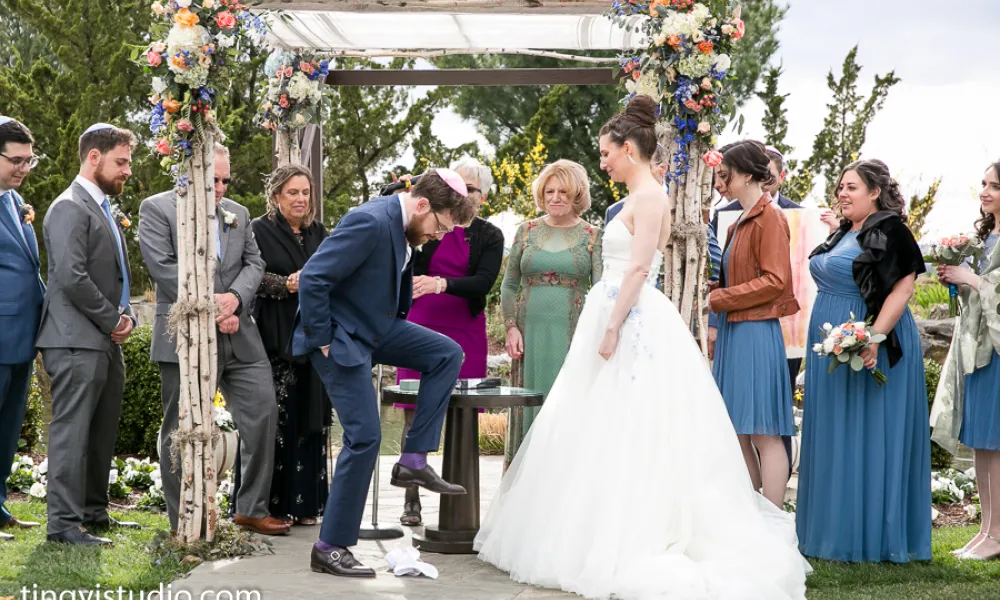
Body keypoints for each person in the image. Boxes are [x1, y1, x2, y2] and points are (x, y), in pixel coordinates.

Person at [475, 96, 810, 599]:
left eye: (607, 153)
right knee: (594, 422)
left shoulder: (652, 197)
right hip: (609, 311)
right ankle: (586, 526)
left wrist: (611, 326)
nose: (603, 161)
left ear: (628, 150)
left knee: (634, 420)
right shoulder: (635, 197)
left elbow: (637, 268)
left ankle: (631, 534)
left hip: (630, 319)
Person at [294, 169, 476, 578]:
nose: (438, 236)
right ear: (423, 204)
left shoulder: (404, 226)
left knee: (446, 353)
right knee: (365, 437)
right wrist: (323, 339)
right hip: (340, 337)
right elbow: (314, 277)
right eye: (439, 227)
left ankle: (413, 458)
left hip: (375, 328)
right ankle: (329, 547)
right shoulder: (370, 220)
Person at [138, 144, 288, 537]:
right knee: (178, 429)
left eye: (225, 180)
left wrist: (235, 300)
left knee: (262, 415)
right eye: (213, 180)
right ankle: (182, 521)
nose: (221, 188)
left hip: (240, 335)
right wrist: (211, 308)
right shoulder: (156, 209)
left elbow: (255, 263)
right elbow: (164, 268)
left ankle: (251, 508)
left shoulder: (238, 214)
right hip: (184, 337)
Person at [797, 159, 931, 563]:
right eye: (840, 186)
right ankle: (832, 530)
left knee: (869, 435)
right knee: (836, 434)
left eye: (851, 187)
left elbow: (904, 287)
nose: (842, 193)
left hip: (871, 343)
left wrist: (873, 336)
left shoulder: (891, 229)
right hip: (830, 346)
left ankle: (872, 535)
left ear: (875, 192)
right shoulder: (843, 231)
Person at [37, 124, 139, 546]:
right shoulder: (68, 207)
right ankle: (62, 525)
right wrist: (112, 320)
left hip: (100, 338)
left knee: (101, 431)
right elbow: (71, 277)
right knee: (72, 432)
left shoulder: (102, 208)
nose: (128, 171)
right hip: (74, 339)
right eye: (121, 162)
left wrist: (127, 313)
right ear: (93, 158)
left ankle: (94, 513)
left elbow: (112, 275)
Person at [394, 158, 504, 526]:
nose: (463, 194)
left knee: (464, 412)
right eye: (458, 186)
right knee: (414, 410)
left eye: (470, 189)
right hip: (421, 322)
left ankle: (461, 499)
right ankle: (411, 497)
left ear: (483, 197)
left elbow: (484, 283)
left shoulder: (489, 236)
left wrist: (441, 283)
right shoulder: (427, 226)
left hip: (465, 328)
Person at [709, 140, 799, 507]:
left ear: (746, 174)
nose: (719, 183)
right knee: (738, 431)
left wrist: (718, 299)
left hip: (756, 332)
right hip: (735, 331)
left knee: (763, 431)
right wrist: (711, 289)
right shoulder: (737, 224)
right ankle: (749, 514)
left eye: (724, 175)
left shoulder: (771, 218)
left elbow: (776, 281)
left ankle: (774, 517)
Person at [501, 159, 603, 471]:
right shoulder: (526, 230)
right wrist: (510, 328)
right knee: (530, 398)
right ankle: (522, 476)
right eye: (549, 191)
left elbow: (600, 290)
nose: (555, 197)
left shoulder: (593, 235)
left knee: (566, 400)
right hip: (528, 333)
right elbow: (509, 284)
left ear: (577, 195)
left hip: (573, 335)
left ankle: (562, 476)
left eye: (563, 191)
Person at [247, 164, 329, 527]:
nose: (300, 199)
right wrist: (287, 285)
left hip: (313, 335)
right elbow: (250, 276)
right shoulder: (258, 230)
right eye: (293, 192)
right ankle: (273, 505)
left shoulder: (318, 232)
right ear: (277, 194)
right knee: (280, 419)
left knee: (313, 416)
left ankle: (309, 504)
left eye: (305, 192)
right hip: (275, 336)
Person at [933, 159, 1000, 560]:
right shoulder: (987, 236)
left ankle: (998, 533)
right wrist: (956, 282)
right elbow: (978, 293)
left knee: (996, 440)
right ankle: (987, 528)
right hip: (976, 348)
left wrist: (972, 279)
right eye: (984, 183)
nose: (986, 191)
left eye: (995, 185)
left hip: (996, 350)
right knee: (980, 441)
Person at [0, 116, 44, 541]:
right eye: (16, 160)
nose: (24, 169)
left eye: (29, 161)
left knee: (7, 431)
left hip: (22, 337)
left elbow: (30, 269)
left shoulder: (15, 203)